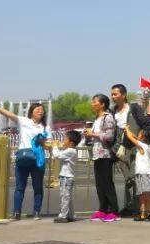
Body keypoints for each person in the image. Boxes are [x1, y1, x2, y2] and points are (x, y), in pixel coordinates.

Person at [0, 101, 49, 220]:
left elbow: (46, 144)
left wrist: (47, 144)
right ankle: (16, 212)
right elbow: (10, 115)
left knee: (38, 187)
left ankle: (36, 212)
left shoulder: (45, 127)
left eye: (42, 110)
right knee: (20, 187)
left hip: (38, 160)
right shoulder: (24, 121)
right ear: (31, 112)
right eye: (37, 109)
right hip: (23, 157)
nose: (40, 111)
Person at [84, 94, 119, 222]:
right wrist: (88, 135)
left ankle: (113, 210)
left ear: (102, 104)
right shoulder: (97, 118)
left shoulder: (107, 117)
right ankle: (103, 209)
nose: (92, 104)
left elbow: (109, 136)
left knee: (107, 183)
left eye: (95, 102)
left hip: (105, 154)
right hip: (97, 154)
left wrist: (92, 134)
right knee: (99, 184)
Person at [111, 84, 141, 218]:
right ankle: (128, 206)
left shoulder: (133, 109)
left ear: (123, 95)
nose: (113, 96)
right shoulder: (113, 111)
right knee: (127, 178)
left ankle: (136, 207)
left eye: (115, 94)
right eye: (112, 94)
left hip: (133, 145)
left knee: (134, 177)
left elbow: (143, 123)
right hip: (119, 147)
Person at [126, 116, 150, 222]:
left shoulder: (142, 146)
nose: (138, 135)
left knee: (146, 196)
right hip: (143, 173)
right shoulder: (148, 146)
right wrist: (130, 131)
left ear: (143, 137)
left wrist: (126, 129)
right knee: (142, 195)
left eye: (140, 134)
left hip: (144, 173)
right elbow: (134, 137)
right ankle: (143, 214)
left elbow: (130, 137)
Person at [51, 130, 82, 223]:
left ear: (71, 142)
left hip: (66, 177)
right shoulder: (70, 150)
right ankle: (70, 215)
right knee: (68, 197)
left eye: (65, 139)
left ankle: (63, 216)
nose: (63, 140)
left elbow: (56, 155)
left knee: (64, 196)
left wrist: (55, 146)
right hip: (67, 177)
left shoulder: (70, 151)